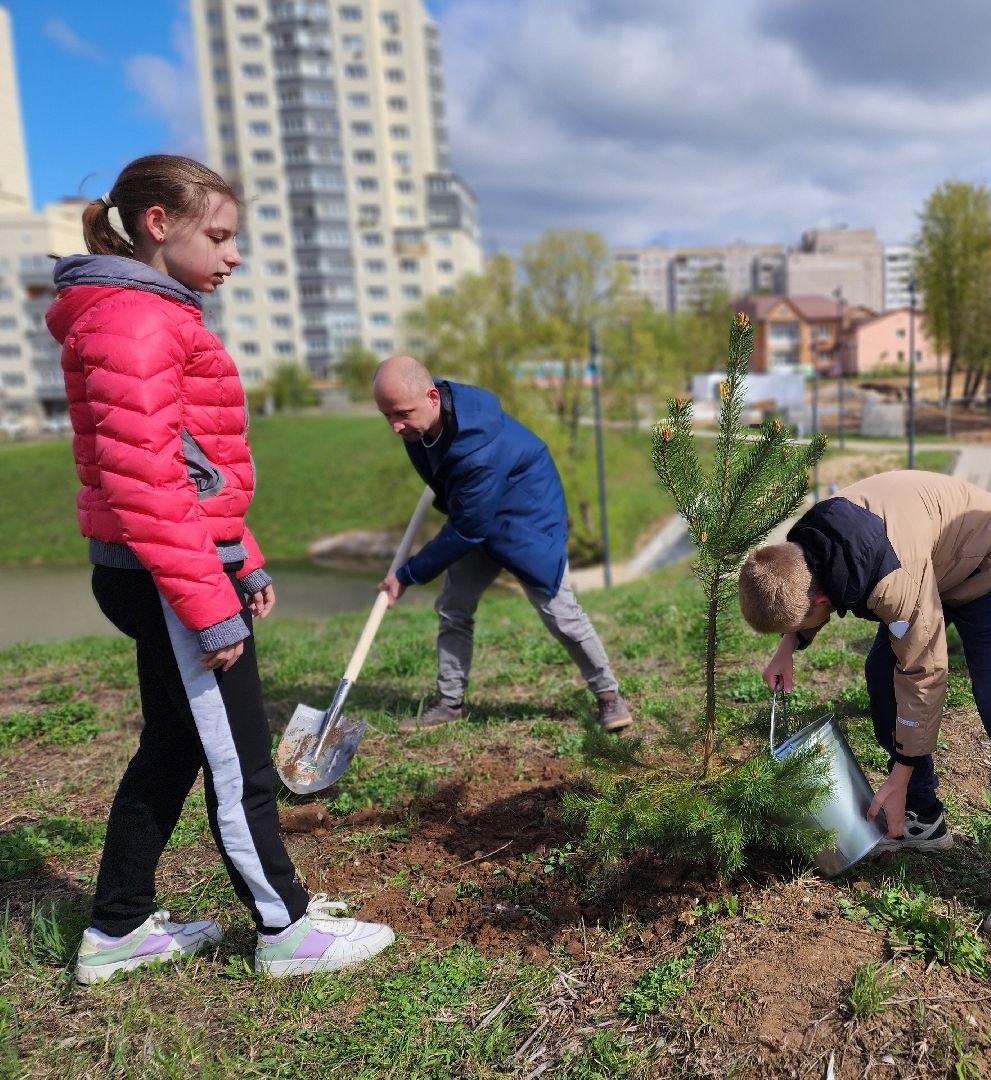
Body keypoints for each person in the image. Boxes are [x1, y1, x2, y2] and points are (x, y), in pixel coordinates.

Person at [47, 155, 393, 984]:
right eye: (221, 235)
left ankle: (117, 929)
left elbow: (190, 464)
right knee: (239, 758)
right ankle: (285, 929)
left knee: (170, 747)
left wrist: (244, 559)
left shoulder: (154, 312)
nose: (235, 255)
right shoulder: (135, 320)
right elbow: (146, 482)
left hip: (179, 563)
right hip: (167, 576)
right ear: (159, 225)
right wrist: (209, 603)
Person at [739, 471, 991, 950]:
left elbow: (925, 671)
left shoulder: (890, 579)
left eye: (806, 618)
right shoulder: (810, 547)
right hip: (936, 563)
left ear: (820, 600)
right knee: (879, 675)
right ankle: (924, 820)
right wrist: (790, 642)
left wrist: (900, 771)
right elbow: (806, 593)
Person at [372, 355, 632, 732]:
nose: (395, 426)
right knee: (453, 608)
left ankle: (609, 695)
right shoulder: (422, 420)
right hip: (477, 516)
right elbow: (466, 513)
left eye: (402, 413)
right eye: (387, 416)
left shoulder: (476, 447)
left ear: (431, 397)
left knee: (562, 616)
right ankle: (450, 702)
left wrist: (407, 574)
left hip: (527, 520)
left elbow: (467, 528)